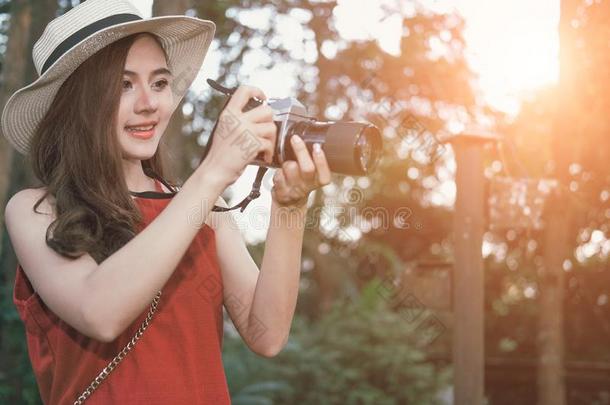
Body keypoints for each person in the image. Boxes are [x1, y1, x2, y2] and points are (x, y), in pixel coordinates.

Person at [1, 0, 331, 403]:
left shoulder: (205, 211)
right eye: (124, 85)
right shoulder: (36, 209)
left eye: (159, 83)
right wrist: (212, 173)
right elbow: (99, 312)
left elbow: (268, 334)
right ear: (78, 103)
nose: (149, 104)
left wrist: (289, 208)